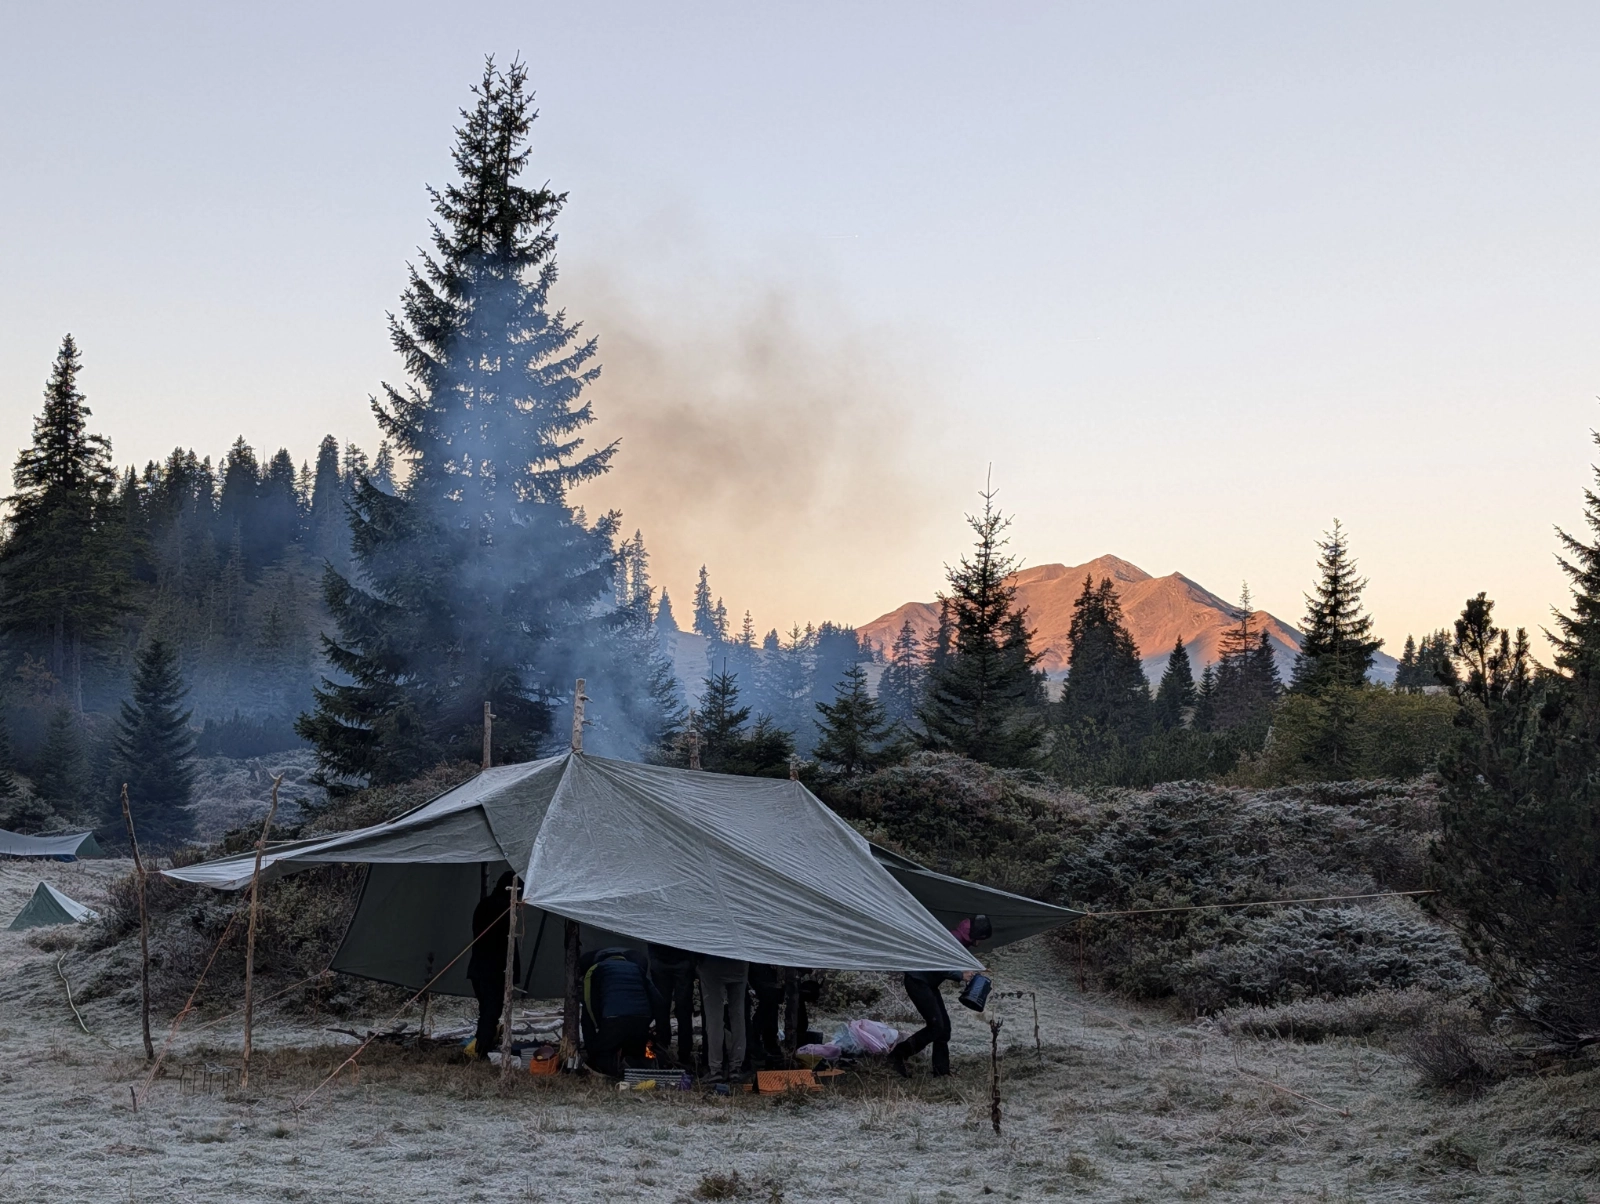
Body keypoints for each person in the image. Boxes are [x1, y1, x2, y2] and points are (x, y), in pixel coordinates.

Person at [889, 916, 990, 1078]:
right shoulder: (953, 941)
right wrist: (960, 975)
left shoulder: (957, 939)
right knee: (936, 1027)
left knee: (944, 1029)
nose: (982, 943)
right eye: (982, 939)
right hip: (917, 982)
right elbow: (936, 964)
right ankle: (897, 1055)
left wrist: (966, 973)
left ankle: (941, 1072)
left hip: (927, 984)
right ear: (977, 936)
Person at [580, 946, 666, 1078]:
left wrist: (599, 1027)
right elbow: (658, 1000)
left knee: (602, 1053)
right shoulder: (636, 967)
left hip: (613, 1018)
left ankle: (611, 1072)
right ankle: (638, 1068)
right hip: (641, 1018)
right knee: (634, 1052)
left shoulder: (595, 969)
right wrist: (647, 1020)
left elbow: (589, 1003)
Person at [466, 871, 522, 1059]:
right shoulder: (504, 908)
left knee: (486, 1011)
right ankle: (481, 1050)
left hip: (479, 968)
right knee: (491, 1011)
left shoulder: (485, 904)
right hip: (494, 970)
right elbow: (505, 943)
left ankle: (480, 1045)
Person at [696, 955, 749, 1083]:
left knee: (714, 1018)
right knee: (737, 1015)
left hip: (712, 963)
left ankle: (715, 1069)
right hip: (739, 963)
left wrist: (698, 964)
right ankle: (736, 1068)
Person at [646, 942, 698, 1067]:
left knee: (662, 1009)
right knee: (683, 1010)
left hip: (662, 957)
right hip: (682, 957)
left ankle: (663, 1052)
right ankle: (684, 1055)